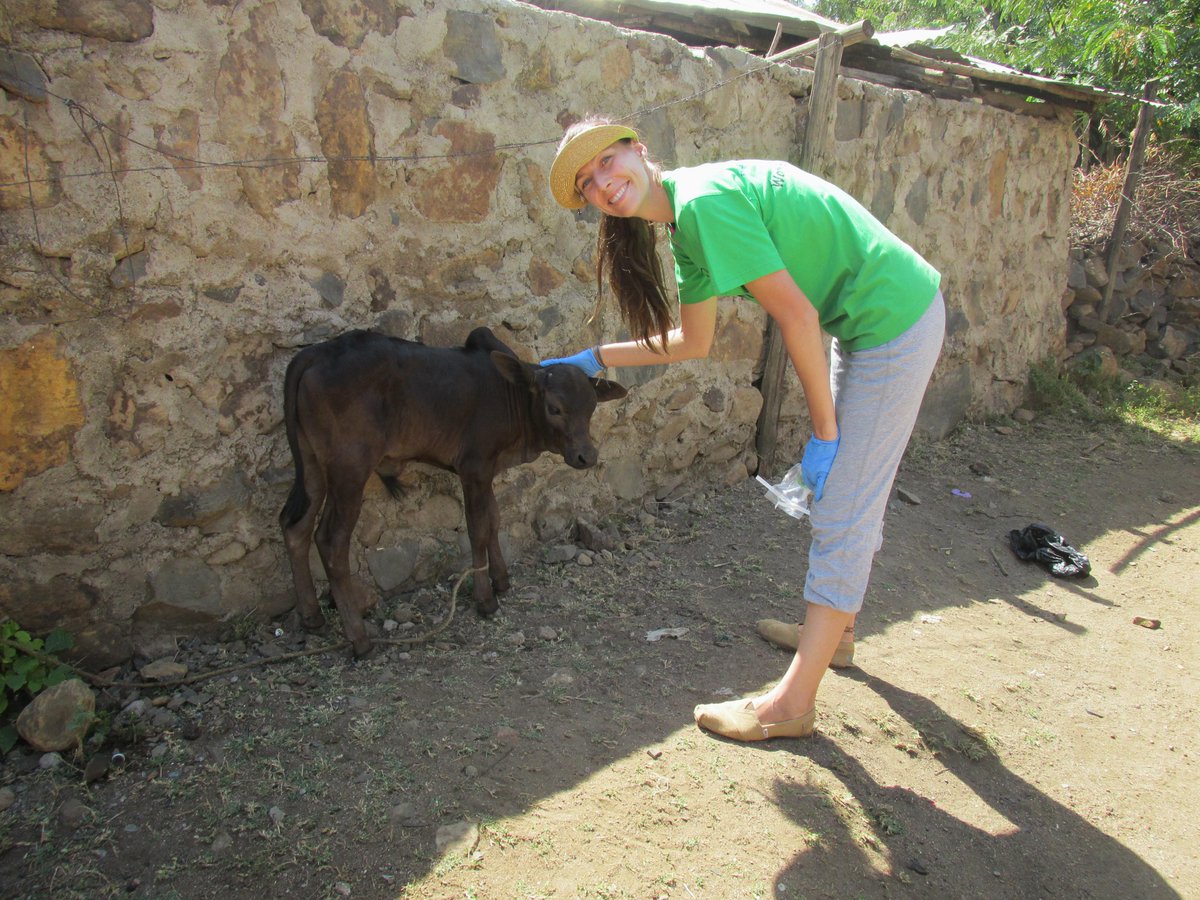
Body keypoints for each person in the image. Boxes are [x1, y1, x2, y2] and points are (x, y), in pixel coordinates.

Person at [541, 117, 945, 742]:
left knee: (844, 500)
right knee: (849, 491)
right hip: (867, 320)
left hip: (893, 320)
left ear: (639, 150)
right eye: (588, 182)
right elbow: (694, 341)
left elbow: (796, 315)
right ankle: (836, 634)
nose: (602, 183)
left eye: (607, 162)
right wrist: (596, 358)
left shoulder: (704, 204)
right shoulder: (683, 224)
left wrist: (824, 431)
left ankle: (791, 706)